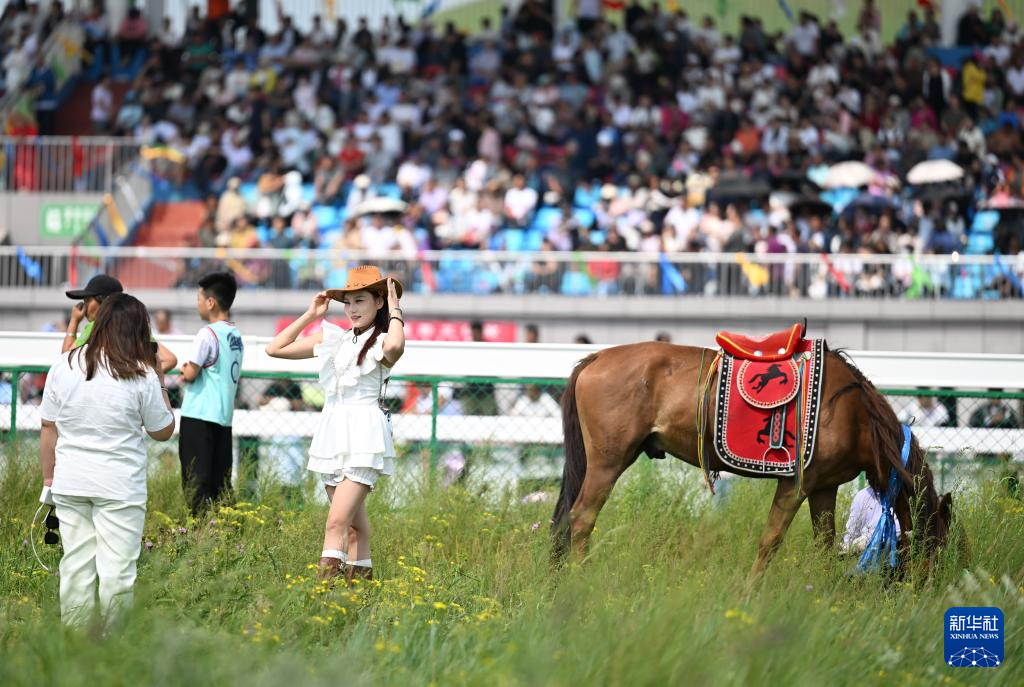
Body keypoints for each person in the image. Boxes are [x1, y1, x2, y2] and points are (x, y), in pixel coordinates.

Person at [39, 294, 175, 626]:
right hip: (119, 486)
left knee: (75, 566)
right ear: (137, 330)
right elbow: (162, 431)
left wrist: (48, 478)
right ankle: (113, 647)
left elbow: (48, 426)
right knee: (117, 573)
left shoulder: (65, 364)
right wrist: (161, 382)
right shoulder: (141, 373)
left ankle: (75, 644)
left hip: (71, 480)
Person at [265, 265, 405, 583]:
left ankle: (321, 600)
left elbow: (395, 347)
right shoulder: (336, 340)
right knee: (355, 528)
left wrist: (396, 308)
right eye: (349, 302)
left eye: (361, 301)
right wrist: (311, 314)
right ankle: (358, 602)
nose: (353, 309)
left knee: (335, 524)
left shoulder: (382, 339)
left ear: (378, 302)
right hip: (333, 432)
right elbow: (276, 349)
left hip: (364, 434)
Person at [178, 272, 243, 515]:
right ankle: (227, 534)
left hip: (199, 416)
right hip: (223, 418)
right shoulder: (235, 335)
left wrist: (185, 370)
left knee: (195, 482)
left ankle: (199, 535)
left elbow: (191, 373)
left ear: (210, 302)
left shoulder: (207, 333)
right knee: (221, 484)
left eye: (199, 299)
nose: (197, 304)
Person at [63, 274, 178, 373]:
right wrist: (142, 379)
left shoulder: (96, 326)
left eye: (88, 300)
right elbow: (169, 360)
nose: (84, 306)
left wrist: (74, 321)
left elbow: (66, 357)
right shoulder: (135, 326)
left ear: (104, 301)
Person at [840, 486, 902, 554]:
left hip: (896, 551)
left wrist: (867, 540)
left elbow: (900, 529)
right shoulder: (862, 496)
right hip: (864, 555)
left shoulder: (902, 494)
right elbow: (851, 534)